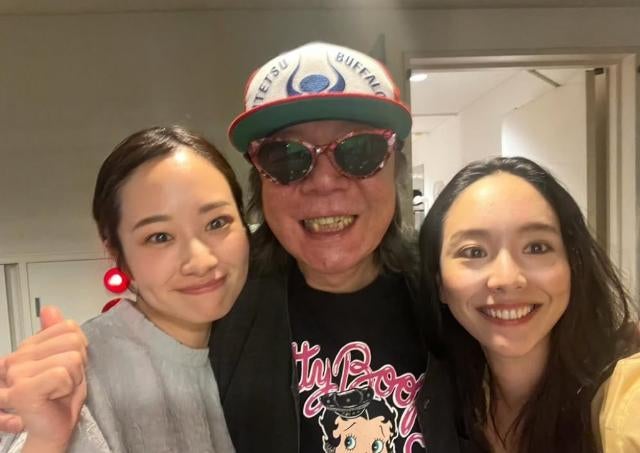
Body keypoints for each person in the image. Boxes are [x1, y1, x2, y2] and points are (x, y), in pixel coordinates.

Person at [0, 42, 460, 453]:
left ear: (397, 166)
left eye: (360, 152)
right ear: (260, 182)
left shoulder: (448, 296)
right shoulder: (218, 310)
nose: (324, 183)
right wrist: (41, 440)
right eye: (288, 158)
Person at [0, 125, 249, 452]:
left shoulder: (256, 340)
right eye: (159, 237)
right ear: (117, 253)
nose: (201, 261)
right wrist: (45, 441)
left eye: (217, 222)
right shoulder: (81, 378)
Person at [418, 156, 640, 453]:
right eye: (474, 252)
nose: (507, 278)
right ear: (439, 283)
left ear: (573, 266)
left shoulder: (624, 398)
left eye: (536, 247)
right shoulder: (442, 400)